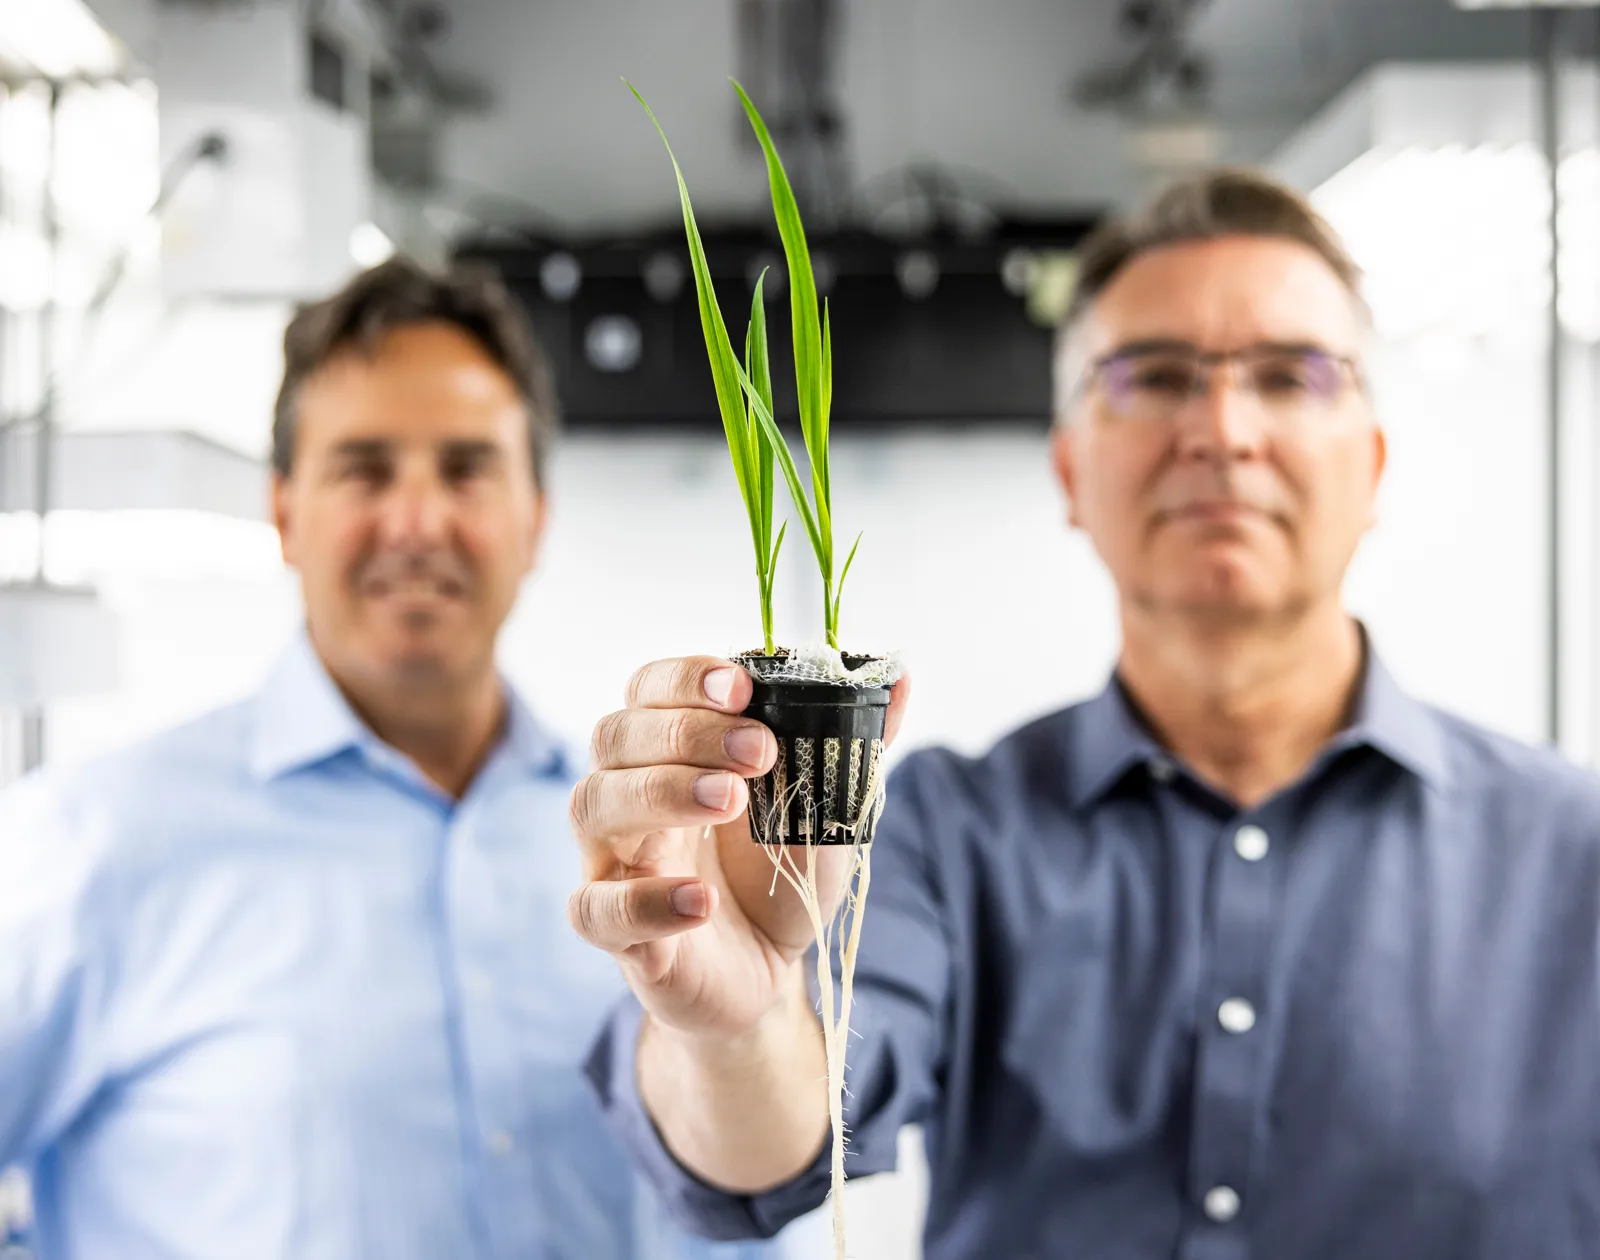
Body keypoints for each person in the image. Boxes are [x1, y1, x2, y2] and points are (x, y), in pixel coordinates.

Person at [567, 168, 1600, 1260]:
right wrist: (741, 1028)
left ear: (1374, 463)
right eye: (1154, 376)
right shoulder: (947, 832)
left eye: (1289, 375)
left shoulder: (1570, 853)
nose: (1222, 429)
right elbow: (781, 1135)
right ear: (1067, 469)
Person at [0, 258, 813, 1260]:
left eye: (467, 468)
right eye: (366, 469)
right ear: (285, 515)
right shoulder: (87, 845)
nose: (420, 522)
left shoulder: (666, 852)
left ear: (535, 520)